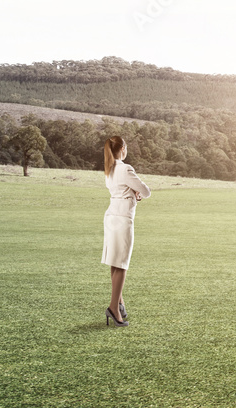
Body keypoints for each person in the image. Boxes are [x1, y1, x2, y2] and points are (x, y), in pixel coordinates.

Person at [101, 136, 151, 327]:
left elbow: (121, 191)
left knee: (115, 262)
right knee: (122, 264)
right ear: (122, 148)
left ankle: (119, 303)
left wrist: (132, 192)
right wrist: (137, 192)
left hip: (111, 217)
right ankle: (114, 308)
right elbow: (146, 191)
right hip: (123, 219)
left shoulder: (109, 169)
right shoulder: (125, 168)